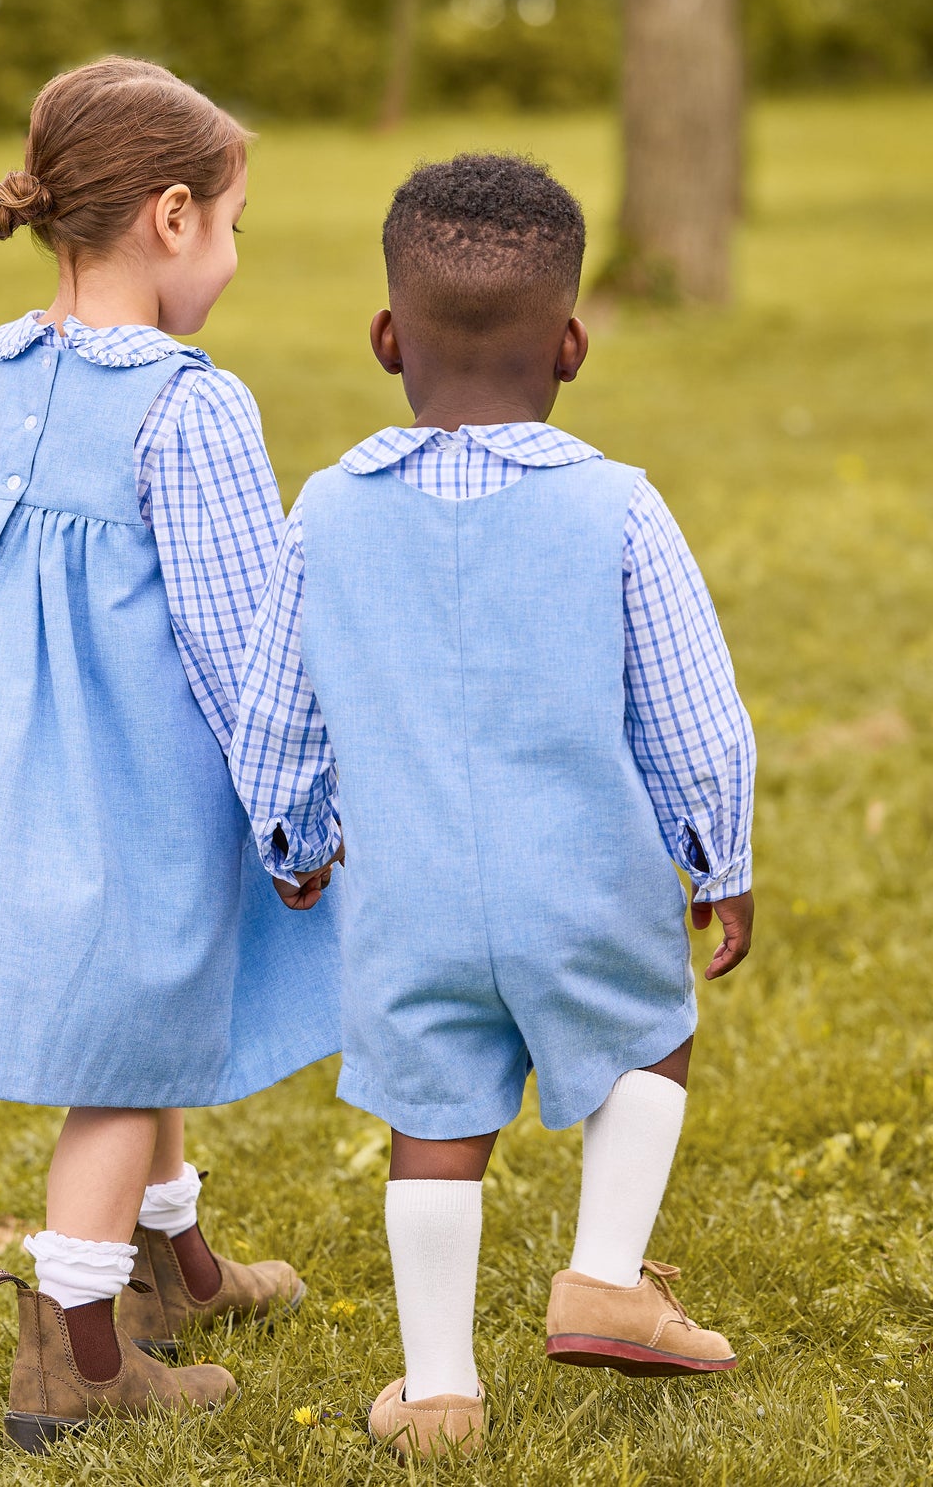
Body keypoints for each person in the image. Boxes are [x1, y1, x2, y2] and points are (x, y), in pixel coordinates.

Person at [230, 153, 756, 1461]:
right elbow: (700, 721)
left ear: (385, 338)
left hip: (403, 897)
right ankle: (605, 1274)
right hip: (589, 881)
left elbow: (275, 712)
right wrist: (718, 857)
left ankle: (441, 1393)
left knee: (435, 1119)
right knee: (648, 1040)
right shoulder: (619, 510)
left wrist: (292, 839)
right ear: (573, 344)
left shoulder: (325, 516)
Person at [0, 57, 340, 1454]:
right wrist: (299, 817)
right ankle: (78, 1355)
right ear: (167, 217)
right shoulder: (191, 406)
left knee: (154, 1010)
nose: (229, 254)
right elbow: (245, 647)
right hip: (121, 785)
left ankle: (176, 1263)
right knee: (121, 1055)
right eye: (231, 224)